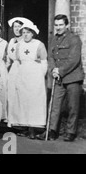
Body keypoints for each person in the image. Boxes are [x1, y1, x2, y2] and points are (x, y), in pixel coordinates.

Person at [37, 14, 84, 142]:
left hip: (73, 77)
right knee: (54, 105)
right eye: (56, 25)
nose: (58, 28)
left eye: (61, 25)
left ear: (66, 25)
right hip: (58, 78)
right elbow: (51, 57)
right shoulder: (53, 39)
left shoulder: (74, 39)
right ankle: (51, 131)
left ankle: (70, 132)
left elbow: (74, 59)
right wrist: (53, 70)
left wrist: (60, 70)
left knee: (72, 107)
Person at [8, 22, 48, 139]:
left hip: (35, 76)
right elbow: (18, 61)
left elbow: (44, 62)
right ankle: (25, 127)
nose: (25, 35)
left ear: (33, 34)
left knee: (33, 102)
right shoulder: (19, 45)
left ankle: (33, 129)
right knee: (23, 101)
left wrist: (40, 76)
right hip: (22, 75)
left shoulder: (39, 44)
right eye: (23, 32)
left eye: (28, 33)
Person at [5, 17, 32, 130]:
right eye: (15, 27)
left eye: (19, 27)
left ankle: (24, 123)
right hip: (13, 69)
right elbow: (8, 59)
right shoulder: (11, 41)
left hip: (23, 69)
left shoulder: (25, 41)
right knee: (11, 94)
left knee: (23, 94)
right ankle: (13, 121)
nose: (17, 29)